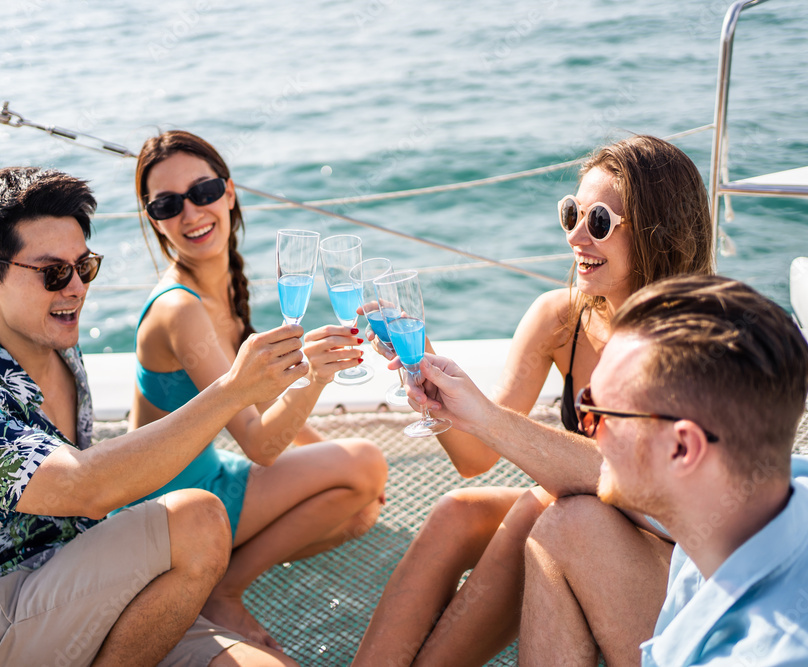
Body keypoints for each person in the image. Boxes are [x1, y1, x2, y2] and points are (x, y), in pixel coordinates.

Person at [0, 166, 310, 667]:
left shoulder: (57, 349)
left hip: (76, 582)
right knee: (197, 518)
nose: (74, 289)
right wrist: (232, 391)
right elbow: (85, 490)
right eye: (52, 272)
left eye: (84, 267)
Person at [355, 135, 715, 666]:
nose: (574, 235)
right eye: (571, 213)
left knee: (554, 511)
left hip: (681, 573)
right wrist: (424, 366)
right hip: (600, 525)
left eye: (597, 222)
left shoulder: (698, 340)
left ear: (657, 232)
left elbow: (642, 487)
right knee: (461, 513)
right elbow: (475, 460)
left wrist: (482, 414)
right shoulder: (559, 320)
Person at [410, 274, 808, 666]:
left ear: (683, 448)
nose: (584, 427)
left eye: (600, 412)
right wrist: (479, 417)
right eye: (584, 401)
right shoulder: (758, 501)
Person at [128, 130, 387, 650]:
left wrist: (327, 459)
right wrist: (316, 376)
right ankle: (222, 589)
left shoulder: (217, 289)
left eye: (202, 192)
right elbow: (262, 446)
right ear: (154, 220)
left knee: (358, 511)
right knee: (365, 463)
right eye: (167, 204)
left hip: (207, 477)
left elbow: (264, 402)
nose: (191, 213)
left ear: (228, 192)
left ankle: (217, 573)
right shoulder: (180, 309)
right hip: (169, 509)